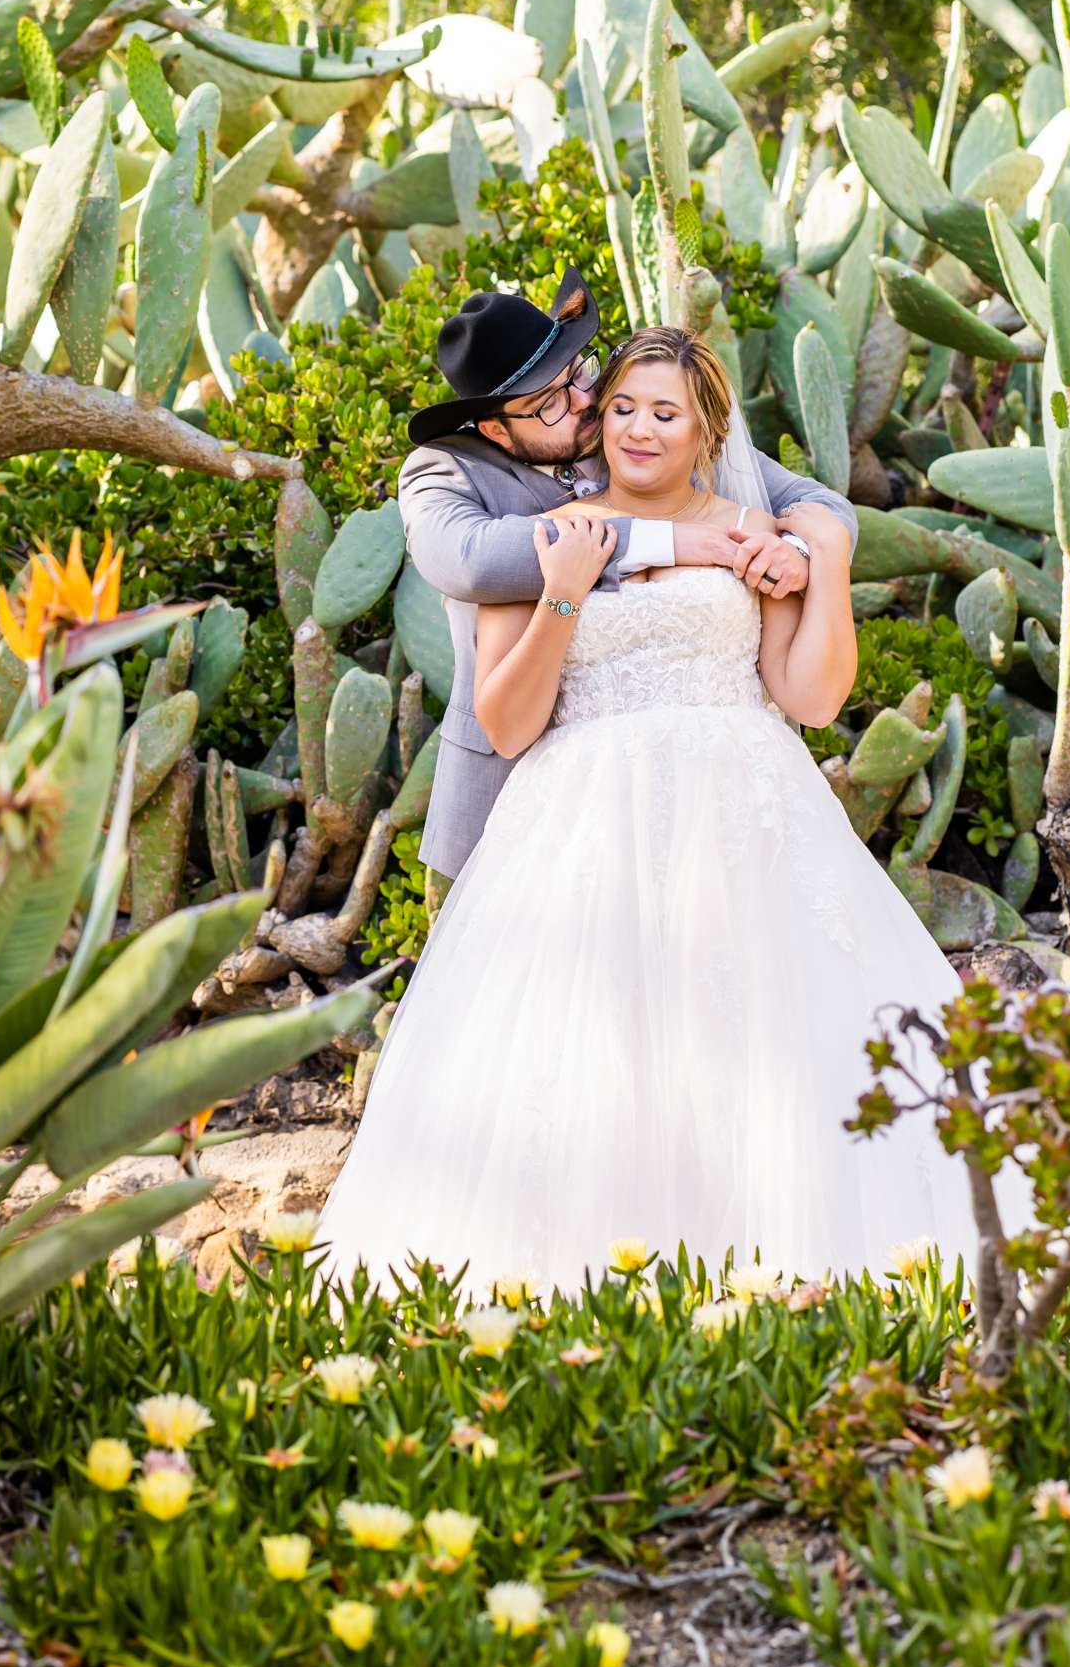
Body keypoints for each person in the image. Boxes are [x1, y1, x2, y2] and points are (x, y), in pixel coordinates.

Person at [315, 326, 989, 1303]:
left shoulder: (756, 529)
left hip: (747, 813)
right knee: (600, 1046)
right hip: (585, 823)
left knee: (765, 1034)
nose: (635, 427)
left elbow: (809, 699)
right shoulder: (547, 530)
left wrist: (825, 561)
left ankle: (784, 1266)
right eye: (622, 407)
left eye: (663, 412)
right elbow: (507, 724)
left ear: (705, 427)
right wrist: (561, 595)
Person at [396, 266, 858, 891]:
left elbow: (818, 508)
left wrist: (804, 554)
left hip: (727, 808)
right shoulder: (449, 471)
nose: (588, 404)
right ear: (496, 428)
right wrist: (657, 544)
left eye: (580, 375)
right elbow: (472, 561)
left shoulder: (641, 422)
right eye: (551, 401)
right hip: (536, 811)